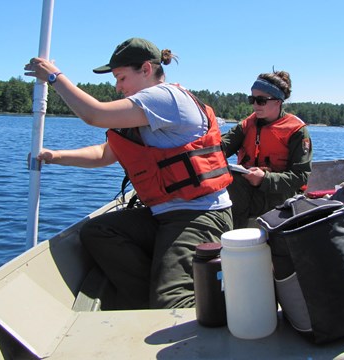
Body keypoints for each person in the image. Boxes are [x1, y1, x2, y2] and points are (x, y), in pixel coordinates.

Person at [24, 38, 233, 309]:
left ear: (146, 69)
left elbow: (93, 114)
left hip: (200, 215)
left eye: (121, 77)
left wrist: (54, 76)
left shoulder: (165, 98)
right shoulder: (145, 111)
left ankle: (176, 309)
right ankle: (148, 300)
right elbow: (105, 154)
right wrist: (55, 156)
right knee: (98, 231)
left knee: (173, 301)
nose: (117, 87)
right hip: (166, 215)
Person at [221, 71, 312, 229]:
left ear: (278, 101)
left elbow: (300, 176)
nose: (255, 105)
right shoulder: (248, 124)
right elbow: (220, 148)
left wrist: (264, 178)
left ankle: (236, 239)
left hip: (281, 194)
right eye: (252, 99)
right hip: (248, 189)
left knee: (235, 185)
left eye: (261, 100)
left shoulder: (296, 131)